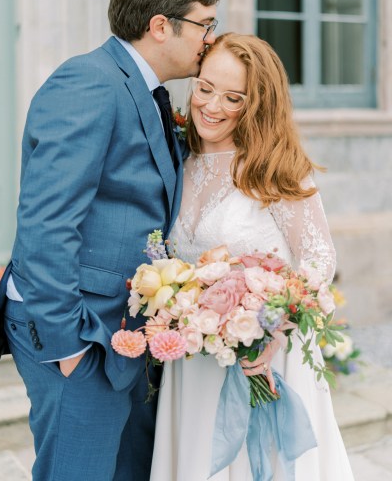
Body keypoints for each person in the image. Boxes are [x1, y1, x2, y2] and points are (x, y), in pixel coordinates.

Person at [0, 0, 221, 481]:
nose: (210, 38)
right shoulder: (90, 83)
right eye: (205, 24)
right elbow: (47, 223)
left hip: (125, 336)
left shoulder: (144, 90)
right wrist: (67, 347)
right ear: (161, 26)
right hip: (80, 336)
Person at [150, 33, 354, 480]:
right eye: (204, 88)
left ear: (257, 103)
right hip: (196, 363)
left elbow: (319, 258)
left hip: (266, 355)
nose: (212, 106)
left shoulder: (274, 166)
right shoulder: (177, 158)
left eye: (233, 97)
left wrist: (274, 324)